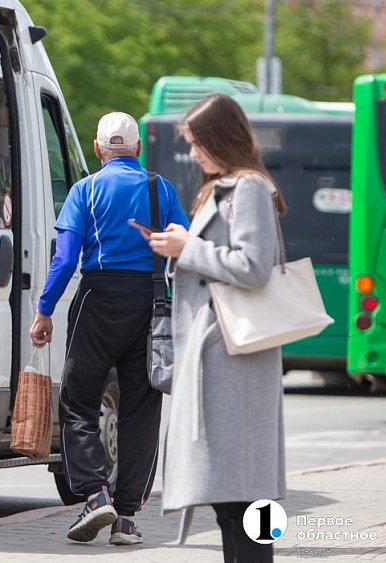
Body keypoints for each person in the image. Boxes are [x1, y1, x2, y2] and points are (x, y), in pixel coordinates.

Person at [30, 112, 188, 545]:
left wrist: (44, 310)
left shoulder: (85, 190)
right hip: (151, 302)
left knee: (79, 399)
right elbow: (185, 244)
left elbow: (65, 259)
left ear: (98, 149)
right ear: (138, 149)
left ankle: (96, 495)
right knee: (141, 408)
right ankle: (127, 519)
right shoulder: (161, 189)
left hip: (98, 299)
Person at [148, 93, 286, 563]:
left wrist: (187, 248)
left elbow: (254, 267)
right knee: (229, 501)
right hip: (221, 358)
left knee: (242, 501)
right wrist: (181, 247)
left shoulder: (248, 188)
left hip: (234, 359)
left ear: (220, 138)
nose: (191, 154)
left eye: (196, 143)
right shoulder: (223, 188)